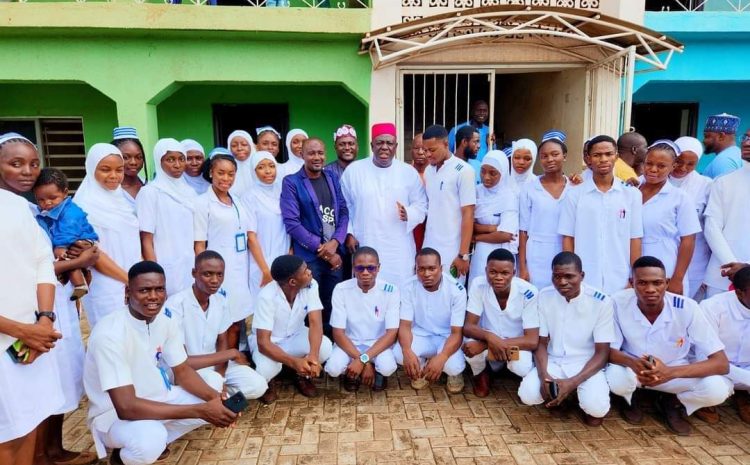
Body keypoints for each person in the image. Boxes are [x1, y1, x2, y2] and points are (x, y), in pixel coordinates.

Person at [84, 261, 238, 465]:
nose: (153, 296)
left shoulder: (164, 320)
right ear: (127, 291)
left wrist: (216, 400)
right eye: (144, 290)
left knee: (215, 388)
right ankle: (125, 456)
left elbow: (182, 371)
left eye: (159, 289)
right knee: (151, 440)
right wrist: (201, 410)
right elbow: (126, 407)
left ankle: (147, 438)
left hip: (158, 397)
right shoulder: (110, 334)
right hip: (113, 416)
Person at [606, 256, 732, 435]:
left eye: (657, 283)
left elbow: (721, 363)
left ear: (666, 283)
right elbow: (607, 350)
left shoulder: (687, 307)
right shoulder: (617, 302)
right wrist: (633, 363)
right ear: (631, 283)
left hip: (674, 372)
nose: (650, 289)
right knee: (616, 378)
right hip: (634, 370)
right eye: (642, 283)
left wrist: (669, 373)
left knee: (717, 389)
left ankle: (672, 401)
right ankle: (630, 397)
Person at [0, 133, 65, 465]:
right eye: (15, 163)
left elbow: (43, 265)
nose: (27, 171)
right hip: (8, 339)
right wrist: (23, 331)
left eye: (34, 163)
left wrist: (44, 320)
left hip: (33, 341)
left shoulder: (24, 208)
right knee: (6, 434)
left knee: (30, 422)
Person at [518, 252, 613, 427]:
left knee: (596, 410)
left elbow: (602, 352)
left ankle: (573, 393)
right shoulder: (545, 296)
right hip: (554, 361)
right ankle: (561, 395)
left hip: (586, 364)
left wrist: (572, 383)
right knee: (528, 395)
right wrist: (544, 376)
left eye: (569, 276)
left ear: (582, 276)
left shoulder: (601, 301)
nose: (562, 282)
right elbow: (542, 342)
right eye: (557, 276)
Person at [166, 251, 267, 401]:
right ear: (194, 273)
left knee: (258, 385)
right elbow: (184, 363)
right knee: (213, 382)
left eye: (220, 275)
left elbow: (222, 340)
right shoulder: (176, 305)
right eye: (208, 274)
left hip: (215, 365)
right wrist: (231, 354)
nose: (215, 280)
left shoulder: (220, 298)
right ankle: (203, 397)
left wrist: (222, 376)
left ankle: (218, 396)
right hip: (187, 371)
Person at [341, 122, 427, 286]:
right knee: (368, 287)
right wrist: (349, 232)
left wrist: (409, 213)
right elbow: (345, 206)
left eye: (389, 143)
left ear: (396, 146)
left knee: (400, 287)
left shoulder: (408, 173)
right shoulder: (354, 171)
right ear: (372, 145)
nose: (384, 147)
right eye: (380, 143)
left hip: (398, 245)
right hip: (366, 238)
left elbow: (421, 205)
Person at [558, 135, 643, 294]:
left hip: (620, 278)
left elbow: (635, 239)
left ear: (616, 157)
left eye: (608, 154)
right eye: (597, 155)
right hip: (585, 278)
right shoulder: (574, 195)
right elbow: (568, 237)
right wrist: (570, 274)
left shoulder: (631, 195)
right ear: (588, 159)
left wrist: (635, 277)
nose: (603, 159)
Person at [281, 138, 348, 336]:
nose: (317, 157)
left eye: (320, 153)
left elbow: (343, 212)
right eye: (311, 153)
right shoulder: (292, 182)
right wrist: (324, 251)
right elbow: (292, 223)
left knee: (332, 302)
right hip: (310, 257)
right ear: (302, 155)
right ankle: (310, 350)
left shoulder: (332, 178)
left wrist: (336, 242)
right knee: (310, 305)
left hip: (336, 254)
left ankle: (331, 346)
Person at [249, 255, 333, 402]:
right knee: (266, 370)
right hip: (271, 343)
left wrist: (313, 356)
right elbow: (263, 343)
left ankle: (301, 375)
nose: (310, 272)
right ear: (293, 282)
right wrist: (294, 362)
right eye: (305, 271)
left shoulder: (311, 285)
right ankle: (269, 382)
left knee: (324, 347)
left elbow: (315, 323)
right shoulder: (266, 296)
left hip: (296, 335)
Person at [74, 143, 140, 327]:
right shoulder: (83, 207)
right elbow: (94, 254)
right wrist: (129, 280)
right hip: (106, 286)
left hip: (133, 282)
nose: (114, 176)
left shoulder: (122, 201)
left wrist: (138, 278)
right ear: (91, 168)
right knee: (111, 339)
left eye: (119, 170)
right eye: (105, 169)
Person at [193, 153, 253, 347]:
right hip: (217, 270)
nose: (226, 179)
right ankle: (221, 363)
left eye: (231, 174)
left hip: (239, 268)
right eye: (221, 173)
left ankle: (234, 359)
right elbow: (199, 243)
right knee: (221, 321)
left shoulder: (237, 200)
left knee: (237, 319)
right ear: (211, 172)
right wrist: (204, 274)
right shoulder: (202, 203)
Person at [465, 249, 539, 398]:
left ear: (514, 272)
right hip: (487, 338)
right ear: (486, 270)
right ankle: (481, 374)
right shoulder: (478, 285)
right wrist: (489, 337)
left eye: (505, 273)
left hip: (515, 345)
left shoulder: (528, 292)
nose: (498, 277)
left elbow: (532, 340)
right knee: (469, 347)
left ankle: (503, 369)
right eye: (493, 272)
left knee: (522, 366)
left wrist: (488, 343)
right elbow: (468, 326)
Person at [325, 247, 399, 392]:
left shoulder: (391, 290)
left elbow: (391, 334)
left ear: (378, 268)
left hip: (378, 344)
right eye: (360, 268)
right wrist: (363, 360)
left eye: (371, 268)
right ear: (353, 268)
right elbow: (338, 333)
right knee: (333, 368)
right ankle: (352, 373)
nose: (365, 273)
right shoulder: (341, 289)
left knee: (387, 367)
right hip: (349, 343)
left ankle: (375, 371)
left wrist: (362, 360)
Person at [395, 248, 466, 393]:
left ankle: (452, 373)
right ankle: (421, 367)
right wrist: (407, 351)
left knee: (453, 366)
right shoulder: (408, 286)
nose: (426, 274)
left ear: (441, 268)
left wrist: (443, 357)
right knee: (399, 353)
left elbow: (457, 333)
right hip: (421, 334)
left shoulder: (456, 290)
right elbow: (405, 326)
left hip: (448, 337)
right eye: (421, 269)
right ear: (416, 269)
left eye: (432, 269)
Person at [639, 140, 700, 296]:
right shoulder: (630, 190)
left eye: (661, 166)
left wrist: (677, 279)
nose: (653, 169)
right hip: (633, 266)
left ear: (673, 167)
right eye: (649, 163)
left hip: (666, 265)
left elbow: (688, 240)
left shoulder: (680, 198)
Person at [137, 138, 197, 296]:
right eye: (170, 159)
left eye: (181, 159)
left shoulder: (189, 192)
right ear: (159, 161)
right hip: (164, 265)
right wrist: (154, 273)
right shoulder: (150, 192)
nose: (177, 165)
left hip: (188, 265)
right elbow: (146, 239)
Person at [33, 167, 99, 301]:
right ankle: (80, 281)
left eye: (53, 198)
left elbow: (68, 229)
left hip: (80, 238)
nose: (47, 203)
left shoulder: (70, 211)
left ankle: (80, 284)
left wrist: (61, 246)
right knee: (69, 261)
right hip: (70, 239)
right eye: (41, 200)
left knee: (66, 258)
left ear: (65, 193)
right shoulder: (45, 211)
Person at [518, 131, 572, 289]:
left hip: (566, 250)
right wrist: (523, 267)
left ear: (564, 156)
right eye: (544, 156)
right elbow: (523, 231)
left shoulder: (575, 188)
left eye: (555, 154)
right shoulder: (529, 188)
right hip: (537, 254)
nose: (549, 159)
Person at [422, 124, 476, 278]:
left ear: (446, 144)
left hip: (453, 248)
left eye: (432, 150)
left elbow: (468, 214)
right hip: (430, 243)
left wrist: (463, 255)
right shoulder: (428, 171)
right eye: (425, 150)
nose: (427, 155)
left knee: (452, 294)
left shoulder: (464, 171)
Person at [703, 129, 750, 297]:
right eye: (746, 137)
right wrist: (733, 266)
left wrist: (747, 268)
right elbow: (712, 227)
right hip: (723, 276)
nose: (746, 143)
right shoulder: (724, 182)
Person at [700, 266, 750, 424]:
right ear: (739, 292)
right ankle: (702, 403)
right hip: (714, 370)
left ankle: (742, 395)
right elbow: (705, 358)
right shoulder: (712, 307)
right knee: (713, 389)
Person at [240, 151, 290, 296]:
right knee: (263, 304)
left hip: (284, 258)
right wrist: (265, 270)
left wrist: (289, 255)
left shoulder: (283, 192)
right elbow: (251, 236)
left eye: (271, 166)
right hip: (261, 262)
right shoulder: (249, 197)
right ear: (253, 171)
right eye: (261, 167)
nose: (268, 171)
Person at [671, 136, 712, 299]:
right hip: (661, 253)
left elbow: (711, 226)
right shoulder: (650, 180)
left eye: (690, 164)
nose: (683, 168)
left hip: (696, 260)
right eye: (679, 161)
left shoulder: (706, 185)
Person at [468, 150, 518, 282]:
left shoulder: (509, 196)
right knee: (479, 286)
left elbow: (506, 235)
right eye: (483, 171)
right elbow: (468, 224)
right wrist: (492, 228)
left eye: (493, 173)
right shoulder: (476, 192)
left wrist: (476, 237)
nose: (486, 177)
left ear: (503, 173)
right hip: (480, 253)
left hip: (501, 253)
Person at [111, 126, 147, 208]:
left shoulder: (149, 186)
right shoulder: (110, 190)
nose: (133, 162)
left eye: (138, 157)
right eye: (126, 157)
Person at [700, 113, 743, 179]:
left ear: (721, 136)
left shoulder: (724, 160)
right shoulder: (737, 154)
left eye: (706, 136)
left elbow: (726, 189)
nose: (704, 141)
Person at [410, 132, 428, 251]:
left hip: (432, 226)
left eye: (424, 149)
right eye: (417, 148)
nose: (420, 152)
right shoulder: (405, 173)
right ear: (411, 150)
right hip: (412, 227)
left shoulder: (435, 174)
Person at [226, 130, 256, 197]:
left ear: (251, 145)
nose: (239, 148)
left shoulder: (259, 166)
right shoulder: (225, 170)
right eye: (234, 145)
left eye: (244, 144)